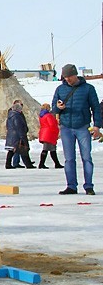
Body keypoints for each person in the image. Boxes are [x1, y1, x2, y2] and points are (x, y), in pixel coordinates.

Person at [52, 64, 101, 195]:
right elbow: (53, 109)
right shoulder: (60, 89)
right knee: (69, 159)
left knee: (86, 157)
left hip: (83, 127)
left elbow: (96, 108)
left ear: (75, 75)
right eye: (65, 77)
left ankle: (89, 186)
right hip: (66, 127)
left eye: (69, 76)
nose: (67, 79)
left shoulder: (88, 89)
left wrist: (97, 126)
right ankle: (71, 186)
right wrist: (58, 108)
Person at [5, 100, 36, 169]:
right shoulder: (16, 116)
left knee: (12, 150)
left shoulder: (10, 115)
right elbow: (19, 126)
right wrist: (22, 135)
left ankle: (8, 164)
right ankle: (28, 164)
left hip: (12, 135)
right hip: (17, 136)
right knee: (23, 149)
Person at [38, 103, 63, 169]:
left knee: (50, 149)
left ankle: (55, 163)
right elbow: (52, 125)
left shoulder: (41, 115)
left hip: (44, 133)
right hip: (49, 133)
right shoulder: (48, 115)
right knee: (49, 149)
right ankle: (42, 164)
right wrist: (56, 130)